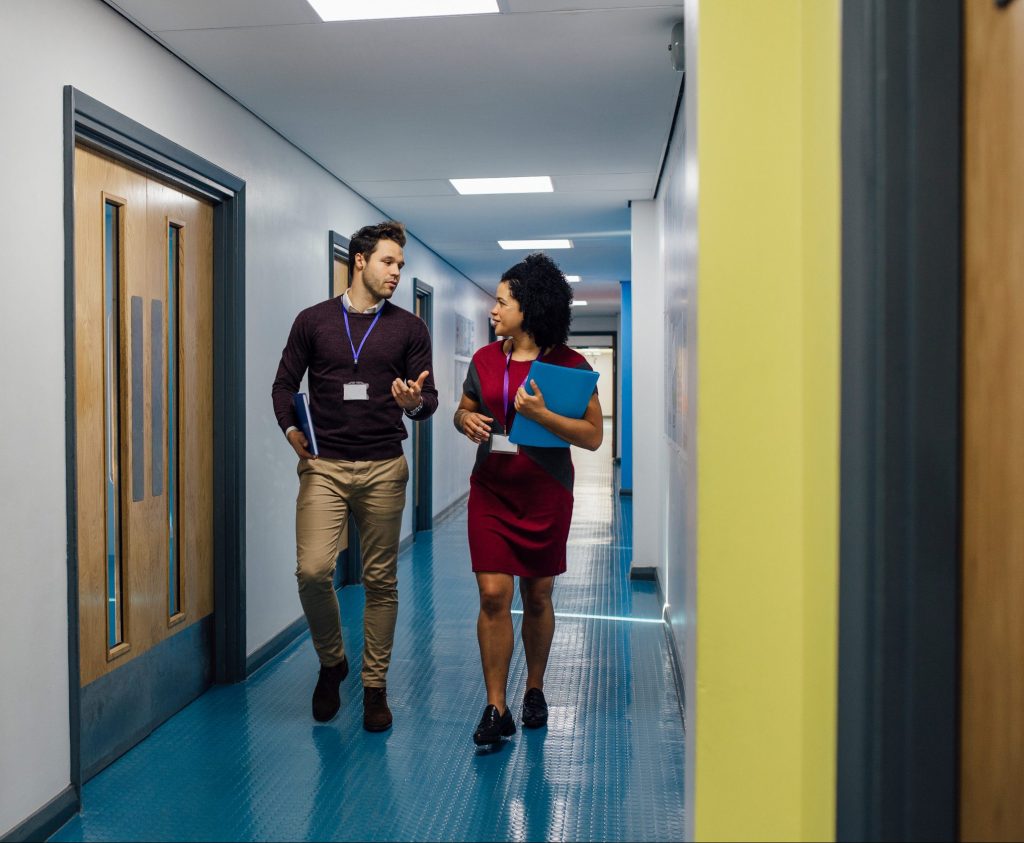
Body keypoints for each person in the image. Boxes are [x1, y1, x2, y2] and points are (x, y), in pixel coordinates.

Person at [272, 220, 437, 731]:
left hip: (385, 466)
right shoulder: (313, 321)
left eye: (401, 266)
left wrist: (415, 404)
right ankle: (331, 662)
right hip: (324, 468)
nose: (396, 273)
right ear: (360, 260)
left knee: (379, 580)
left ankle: (374, 686)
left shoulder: (409, 328)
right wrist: (291, 430)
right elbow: (283, 385)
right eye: (389, 262)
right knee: (314, 571)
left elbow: (428, 399)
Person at [453, 252, 603, 746]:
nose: (493, 310)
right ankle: (496, 706)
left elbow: (592, 436)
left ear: (529, 308)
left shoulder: (570, 365)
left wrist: (542, 416)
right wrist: (465, 420)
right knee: (493, 595)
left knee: (536, 595)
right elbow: (465, 408)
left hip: (545, 491)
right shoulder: (483, 360)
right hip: (492, 489)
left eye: (501, 302)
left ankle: (533, 688)